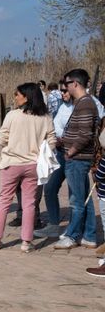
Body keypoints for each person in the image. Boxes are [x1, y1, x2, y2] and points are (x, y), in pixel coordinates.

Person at [0, 83, 56, 252]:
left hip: (11, 163)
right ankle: (26, 242)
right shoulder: (45, 117)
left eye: (17, 94)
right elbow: (52, 141)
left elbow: (2, 139)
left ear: (26, 96)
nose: (15, 97)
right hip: (33, 165)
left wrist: (11, 144)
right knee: (29, 203)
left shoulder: (12, 115)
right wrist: (41, 150)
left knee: (4, 200)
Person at [54, 69, 99, 249]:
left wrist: (70, 151)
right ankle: (89, 235)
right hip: (77, 157)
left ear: (75, 84)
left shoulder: (86, 104)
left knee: (76, 201)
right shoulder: (82, 103)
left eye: (66, 84)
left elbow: (86, 134)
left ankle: (72, 235)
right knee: (83, 198)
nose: (65, 88)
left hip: (78, 158)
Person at [35, 81, 73, 238]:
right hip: (59, 154)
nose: (62, 94)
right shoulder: (62, 106)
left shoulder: (82, 107)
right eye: (61, 90)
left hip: (74, 155)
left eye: (65, 91)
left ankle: (81, 229)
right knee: (50, 189)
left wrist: (65, 140)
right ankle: (53, 224)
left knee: (77, 195)